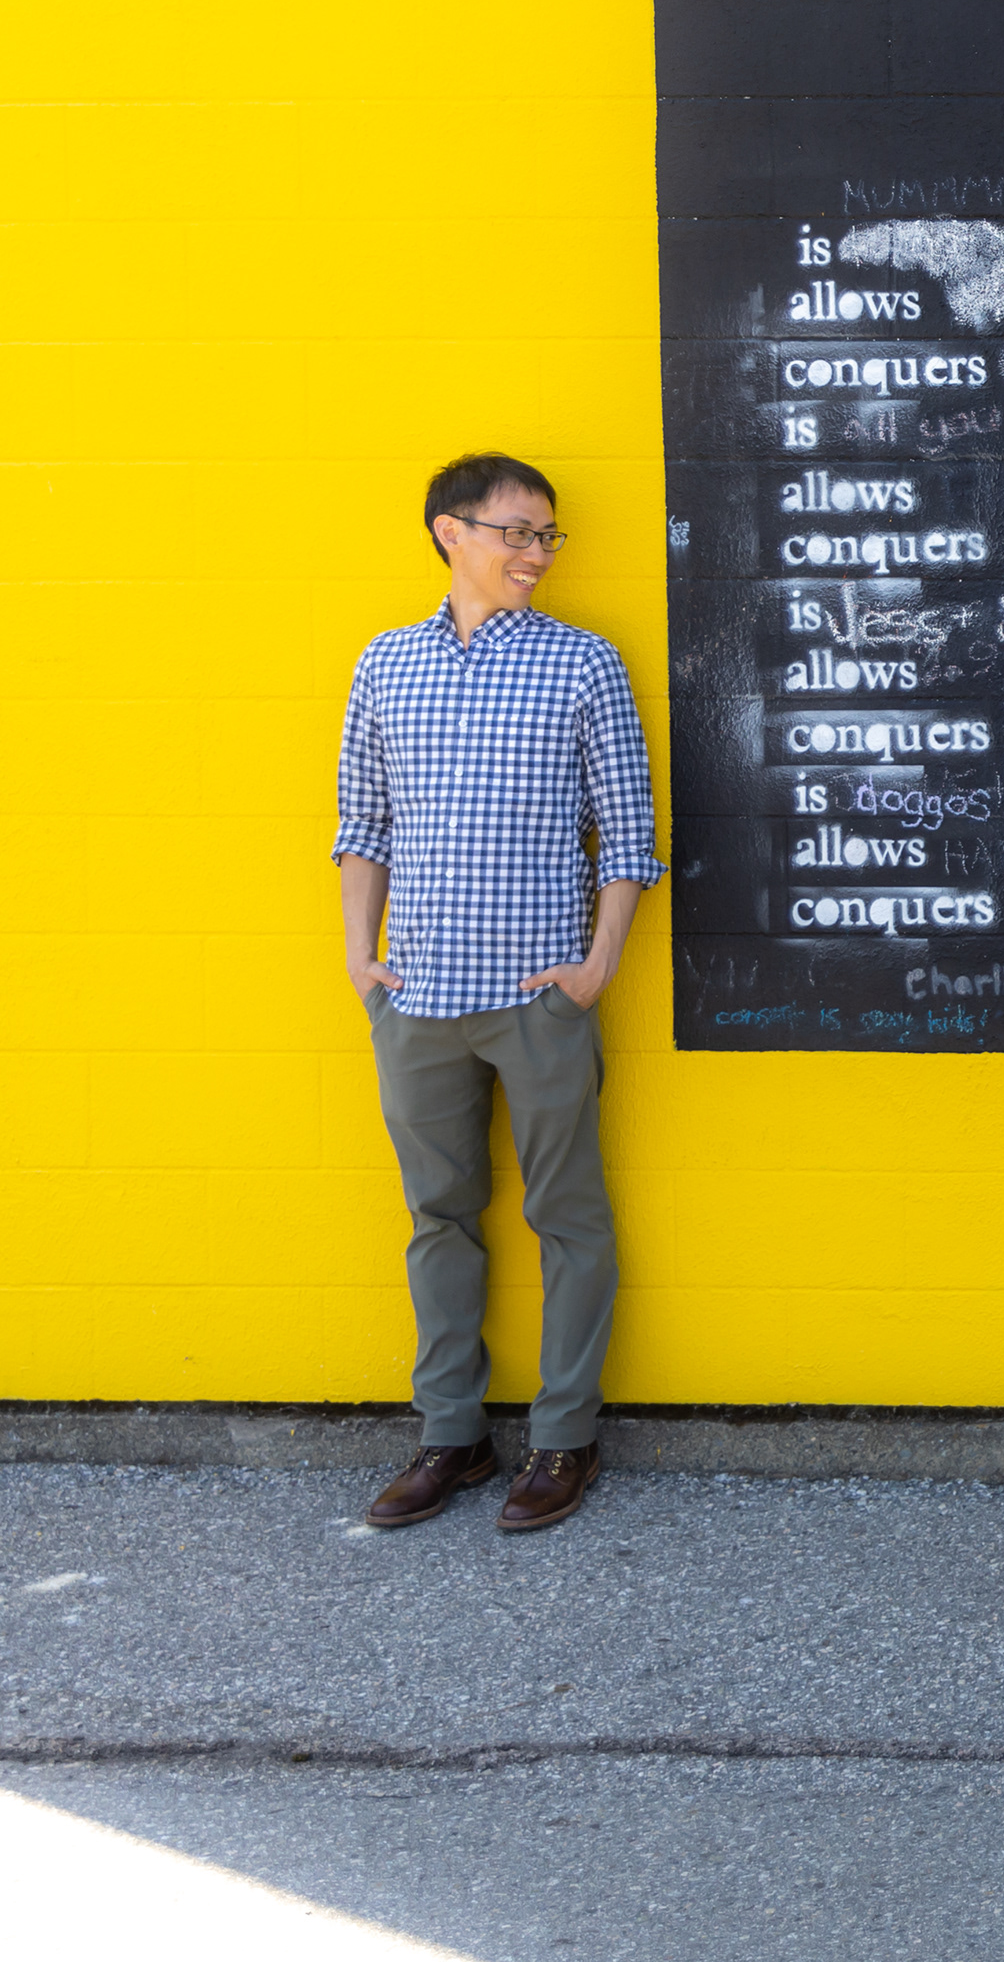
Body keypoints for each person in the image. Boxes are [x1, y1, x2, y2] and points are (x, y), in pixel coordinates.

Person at [334, 454, 663, 1534]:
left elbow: (629, 830)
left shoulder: (583, 663)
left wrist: (595, 966)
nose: (536, 553)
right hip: (417, 997)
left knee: (568, 1216)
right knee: (437, 1218)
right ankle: (453, 1435)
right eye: (517, 531)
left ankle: (564, 1437)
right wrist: (361, 958)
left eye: (547, 536)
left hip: (539, 997)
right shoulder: (387, 662)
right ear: (451, 531)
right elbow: (363, 823)